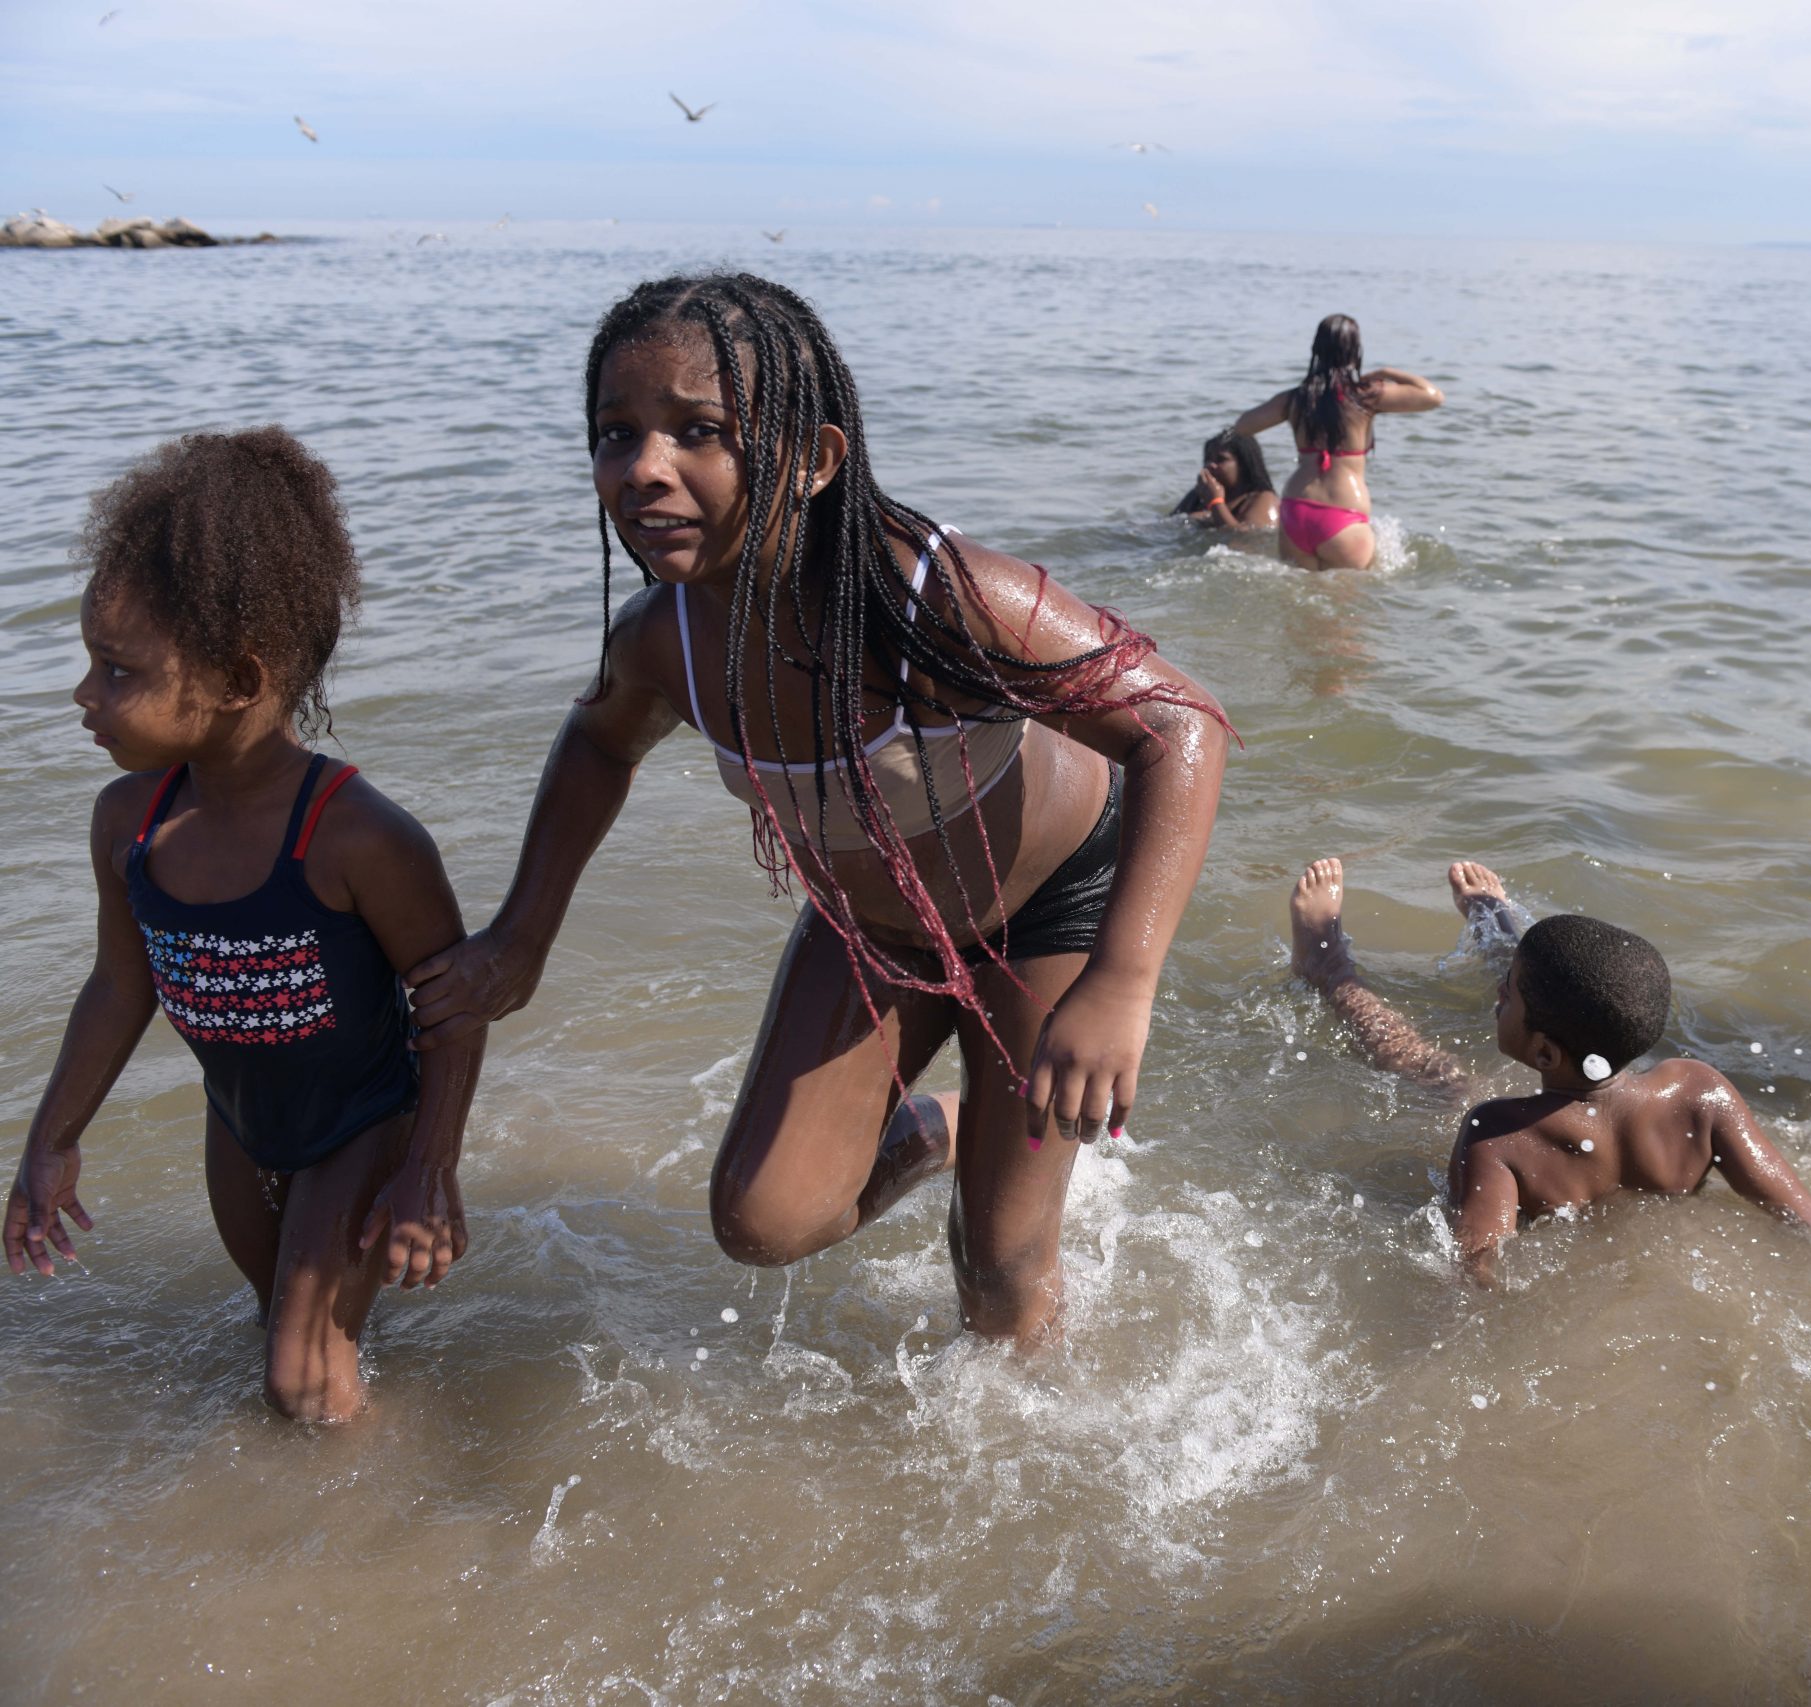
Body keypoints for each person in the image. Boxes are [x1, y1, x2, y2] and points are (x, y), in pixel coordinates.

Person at [404, 273, 1229, 1346]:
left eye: (698, 432)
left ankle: (1023, 1492)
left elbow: (1181, 724)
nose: (644, 470)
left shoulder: (941, 596)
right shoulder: (667, 640)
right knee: (762, 1221)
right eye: (617, 434)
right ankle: (947, 1126)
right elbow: (599, 742)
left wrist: (1123, 983)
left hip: (1047, 917)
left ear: (816, 459)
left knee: (999, 1272)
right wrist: (522, 935)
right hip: (877, 927)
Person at [5, 429, 483, 1422]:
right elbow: (119, 984)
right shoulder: (129, 824)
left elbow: (455, 1006)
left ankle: (391, 1549)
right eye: (89, 664)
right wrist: (51, 1141)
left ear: (239, 679)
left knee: (297, 1381)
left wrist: (428, 1170)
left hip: (362, 1125)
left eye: (117, 670)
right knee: (285, 1329)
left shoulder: (357, 836)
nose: (84, 696)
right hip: (240, 1127)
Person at [1285, 856, 1811, 1280]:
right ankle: (1497, 923)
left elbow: (1476, 1273)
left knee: (1437, 1076)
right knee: (1560, 983)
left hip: (1533, 1103)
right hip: (1583, 1060)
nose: (1498, 995)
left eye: (1508, 994)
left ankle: (1329, 968)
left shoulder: (1500, 1134)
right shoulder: (1700, 1091)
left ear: (1544, 1056)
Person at [1232, 314, 1442, 570]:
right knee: (1346, 608)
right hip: (1343, 515)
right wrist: (1386, 372)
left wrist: (1290, 404)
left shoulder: (1296, 398)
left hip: (1296, 510)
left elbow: (1243, 426)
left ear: (1315, 350)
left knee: (1299, 604)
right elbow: (1433, 396)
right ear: (1355, 352)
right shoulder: (1366, 397)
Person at [1170, 428, 1277, 531]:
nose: (1210, 465)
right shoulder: (1200, 495)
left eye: (1221, 459)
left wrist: (1216, 502)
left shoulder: (1264, 499)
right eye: (1208, 459)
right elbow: (1169, 525)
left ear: (1243, 465)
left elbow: (1246, 540)